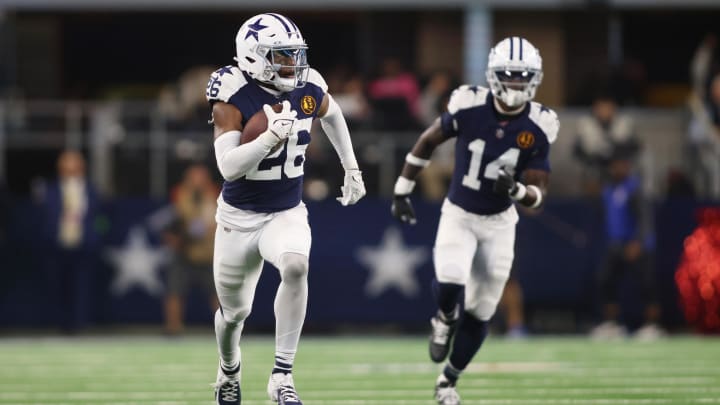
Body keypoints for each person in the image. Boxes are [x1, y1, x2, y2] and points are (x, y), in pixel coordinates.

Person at [205, 13, 366, 405]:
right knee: (234, 315)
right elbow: (227, 166)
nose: (292, 64)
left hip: (285, 211)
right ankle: (229, 370)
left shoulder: (307, 86)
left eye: (294, 55)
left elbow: (332, 114)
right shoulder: (233, 92)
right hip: (237, 219)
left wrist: (351, 166)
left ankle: (282, 375)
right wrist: (266, 141)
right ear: (254, 57)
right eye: (281, 56)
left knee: (295, 265)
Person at [391, 37, 559, 405]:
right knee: (451, 280)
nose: (515, 85)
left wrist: (516, 191)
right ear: (493, 76)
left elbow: (539, 195)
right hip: (461, 214)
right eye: (509, 77)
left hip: (500, 222)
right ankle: (444, 317)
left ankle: (448, 382)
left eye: (522, 78)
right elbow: (427, 141)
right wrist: (402, 189)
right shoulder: (468, 103)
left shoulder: (541, 122)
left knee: (482, 310)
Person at [590, 146, 665, 341]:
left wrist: (638, 242)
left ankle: (653, 326)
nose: (619, 169)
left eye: (623, 165)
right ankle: (612, 324)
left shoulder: (635, 188)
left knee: (646, 285)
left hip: (637, 244)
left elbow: (644, 218)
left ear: (628, 167)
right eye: (616, 166)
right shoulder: (608, 189)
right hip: (617, 245)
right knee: (606, 281)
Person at [39, 150, 101, 334]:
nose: (70, 168)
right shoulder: (50, 190)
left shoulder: (92, 190)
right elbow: (43, 217)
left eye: (74, 163)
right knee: (58, 286)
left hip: (84, 245)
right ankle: (62, 326)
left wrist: (98, 235)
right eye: (66, 163)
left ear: (82, 166)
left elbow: (102, 218)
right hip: (56, 245)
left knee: (82, 287)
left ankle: (79, 325)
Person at [162, 164, 219, 336]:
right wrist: (175, 236)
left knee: (219, 293)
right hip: (184, 251)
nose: (197, 182)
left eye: (200, 177)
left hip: (209, 252)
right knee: (174, 290)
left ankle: (227, 329)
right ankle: (173, 328)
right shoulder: (179, 195)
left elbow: (219, 224)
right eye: (193, 178)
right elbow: (171, 223)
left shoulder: (216, 195)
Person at [573, 94, 639, 196]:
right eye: (601, 108)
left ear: (614, 108)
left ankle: (623, 197)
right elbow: (578, 151)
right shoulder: (585, 124)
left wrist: (617, 160)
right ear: (595, 108)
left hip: (617, 164)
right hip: (594, 164)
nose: (604, 111)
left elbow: (633, 147)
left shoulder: (623, 123)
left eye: (608, 108)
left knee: (625, 168)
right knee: (592, 174)